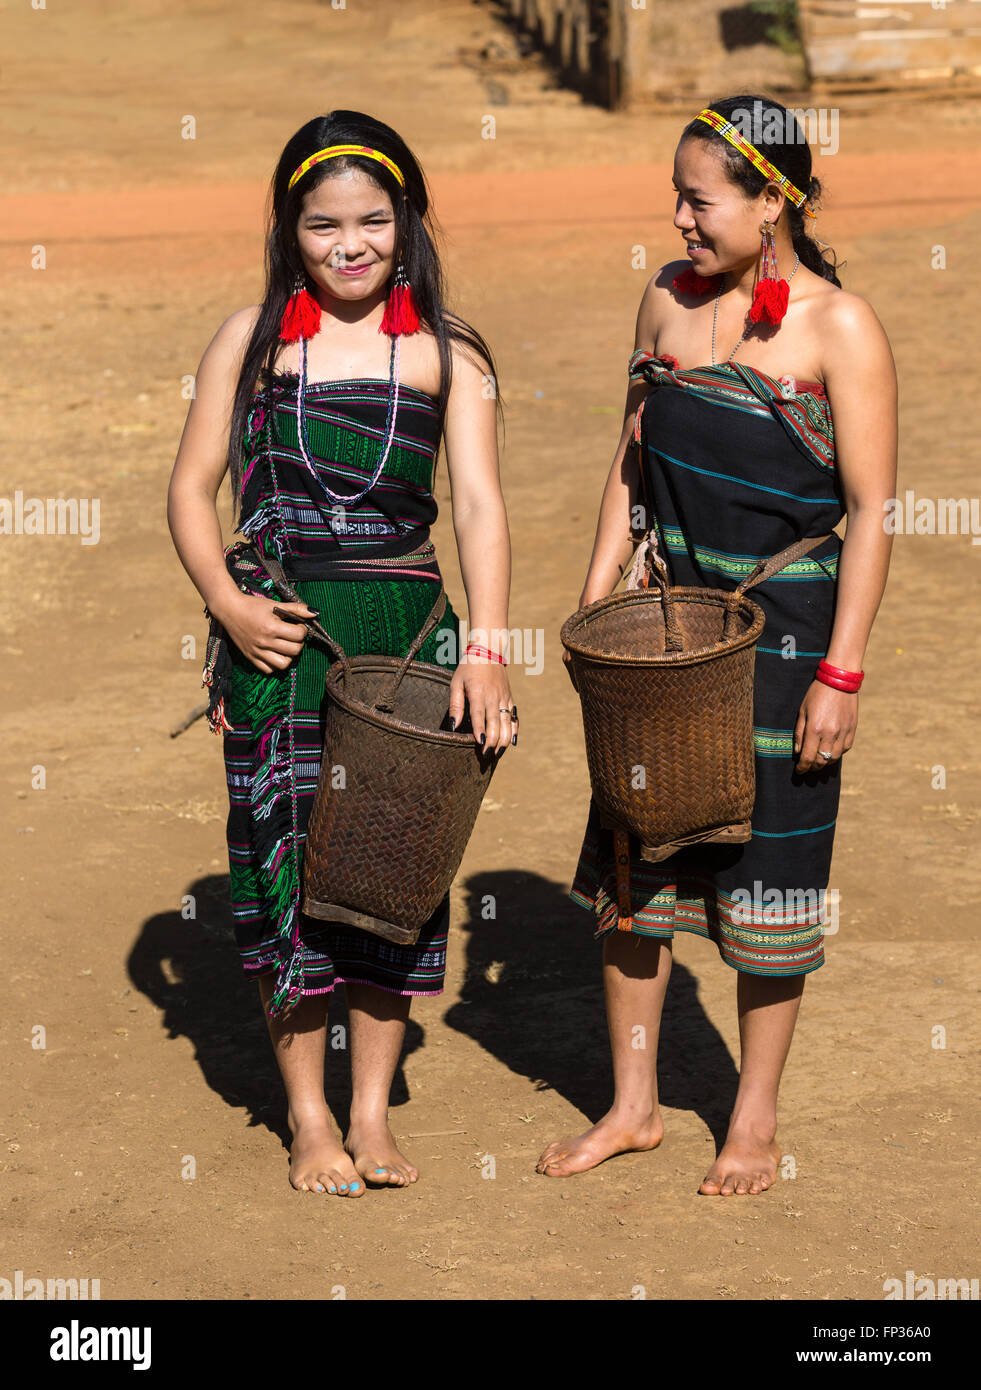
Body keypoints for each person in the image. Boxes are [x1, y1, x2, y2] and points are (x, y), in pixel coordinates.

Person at [539, 95, 896, 1195]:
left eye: (701, 201)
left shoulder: (840, 328)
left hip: (788, 640)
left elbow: (874, 511)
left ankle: (752, 1117)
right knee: (635, 869)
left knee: (771, 885)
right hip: (666, 633)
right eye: (678, 199)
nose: (682, 220)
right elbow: (631, 457)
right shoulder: (662, 301)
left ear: (772, 201)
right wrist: (594, 601)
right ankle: (636, 1105)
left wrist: (842, 674)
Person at [168, 111, 513, 1198]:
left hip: (404, 638)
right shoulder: (251, 341)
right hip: (278, 639)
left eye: (374, 219)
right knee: (290, 873)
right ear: (288, 227)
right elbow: (189, 489)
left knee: (393, 870)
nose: (350, 243)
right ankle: (308, 1117)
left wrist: (489, 649)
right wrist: (227, 605)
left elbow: (480, 510)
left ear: (407, 222)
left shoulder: (449, 352)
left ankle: (372, 1114)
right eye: (324, 224)